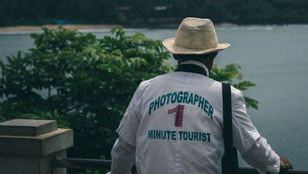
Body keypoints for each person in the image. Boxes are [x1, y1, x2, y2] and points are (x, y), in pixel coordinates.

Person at [110, 17, 293, 174]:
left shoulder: (146, 88)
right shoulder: (226, 95)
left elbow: (123, 149)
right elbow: (252, 147)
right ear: (213, 55)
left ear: (175, 54)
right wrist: (276, 163)